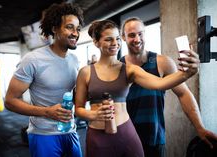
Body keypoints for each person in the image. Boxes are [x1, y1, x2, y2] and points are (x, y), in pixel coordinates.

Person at [75, 20, 199, 157]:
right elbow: (78, 109)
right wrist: (94, 114)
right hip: (97, 137)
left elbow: (159, 83)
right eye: (108, 39)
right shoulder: (85, 72)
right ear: (96, 42)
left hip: (126, 134)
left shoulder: (129, 70)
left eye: (116, 39)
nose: (115, 43)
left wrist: (186, 74)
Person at [120, 17, 217, 157]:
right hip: (125, 140)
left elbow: (183, 94)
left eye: (140, 34)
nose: (137, 39)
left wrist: (200, 128)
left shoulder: (162, 63)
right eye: (131, 35)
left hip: (154, 140)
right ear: (123, 37)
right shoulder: (118, 67)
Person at [5, 3, 84, 157]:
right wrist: (47, 112)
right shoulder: (33, 59)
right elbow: (10, 101)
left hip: (70, 130)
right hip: (44, 135)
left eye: (78, 29)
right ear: (54, 28)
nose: (75, 33)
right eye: (69, 27)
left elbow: (72, 96)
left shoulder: (74, 60)